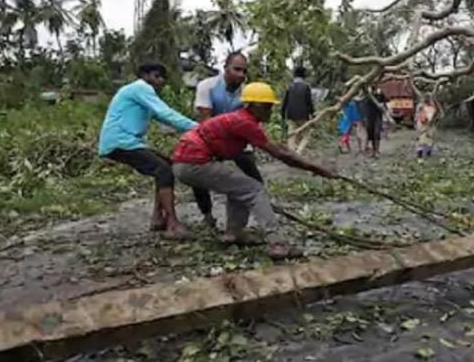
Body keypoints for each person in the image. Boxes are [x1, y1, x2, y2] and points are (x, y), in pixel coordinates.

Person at [171, 82, 336, 259]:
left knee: (239, 187)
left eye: (270, 106)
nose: (269, 111)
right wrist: (316, 168)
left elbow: (278, 147)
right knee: (253, 189)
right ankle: (277, 243)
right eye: (266, 107)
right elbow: (281, 154)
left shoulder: (242, 119)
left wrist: (311, 165)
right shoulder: (244, 122)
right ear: (252, 106)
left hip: (185, 163)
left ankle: (234, 232)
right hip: (193, 163)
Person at [98, 62, 197, 239]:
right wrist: (200, 128)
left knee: (167, 166)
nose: (161, 81)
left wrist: (189, 129)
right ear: (145, 76)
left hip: (126, 142)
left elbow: (165, 118)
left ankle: (158, 218)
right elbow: (166, 113)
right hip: (121, 141)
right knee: (164, 170)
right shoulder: (141, 88)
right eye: (157, 76)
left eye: (162, 78)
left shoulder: (139, 93)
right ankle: (172, 224)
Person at [192, 51, 263, 227]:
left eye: (244, 71)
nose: (241, 74)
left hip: (234, 139)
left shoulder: (246, 91)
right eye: (236, 69)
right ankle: (207, 215)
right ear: (225, 68)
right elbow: (206, 121)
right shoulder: (207, 86)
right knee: (197, 174)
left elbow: (250, 120)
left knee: (253, 176)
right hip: (209, 137)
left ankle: (254, 217)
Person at [281, 66, 315, 154]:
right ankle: (299, 152)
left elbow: (285, 101)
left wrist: (282, 113)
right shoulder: (306, 87)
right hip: (303, 115)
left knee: (291, 136)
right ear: (304, 76)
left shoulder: (290, 86)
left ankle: (292, 153)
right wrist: (312, 114)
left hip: (291, 115)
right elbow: (309, 102)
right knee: (306, 135)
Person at [361, 87, 386, 157]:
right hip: (369, 115)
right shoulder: (366, 93)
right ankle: (373, 150)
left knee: (377, 132)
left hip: (377, 115)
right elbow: (362, 103)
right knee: (370, 132)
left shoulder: (380, 92)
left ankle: (377, 151)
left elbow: (383, 104)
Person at [415, 94, 438, 158]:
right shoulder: (421, 106)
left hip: (429, 124)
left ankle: (427, 151)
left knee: (429, 138)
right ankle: (420, 152)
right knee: (422, 138)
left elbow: (436, 114)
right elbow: (418, 115)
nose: (427, 99)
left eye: (428, 98)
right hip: (423, 124)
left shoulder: (432, 105)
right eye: (426, 98)